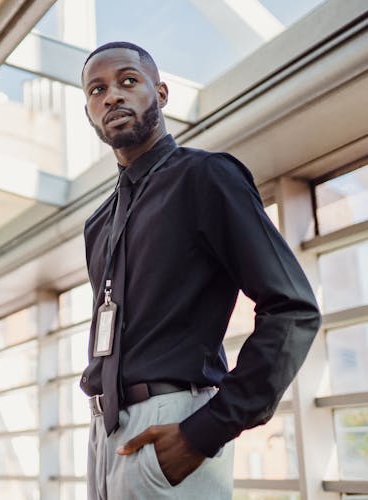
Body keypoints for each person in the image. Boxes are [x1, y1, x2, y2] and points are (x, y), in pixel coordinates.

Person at [79, 41, 321, 499]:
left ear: (162, 93)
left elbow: (293, 309)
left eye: (128, 81)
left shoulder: (206, 177)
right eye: (97, 90)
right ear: (90, 113)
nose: (111, 96)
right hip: (101, 434)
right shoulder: (98, 223)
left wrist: (205, 431)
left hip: (172, 423)